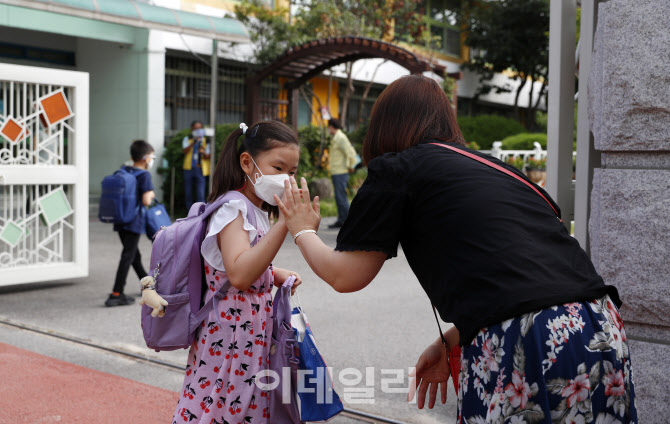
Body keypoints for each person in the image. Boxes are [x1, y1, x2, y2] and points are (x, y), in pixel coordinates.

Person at [275, 75, 637, 423]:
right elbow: (532, 271)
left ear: (385, 125)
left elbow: (346, 275)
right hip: (599, 326)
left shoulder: (398, 169)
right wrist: (454, 336)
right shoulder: (500, 169)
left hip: (531, 339)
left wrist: (302, 230)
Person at [165, 120, 303, 423]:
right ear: (247, 162)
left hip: (248, 332)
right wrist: (285, 223)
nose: (286, 179)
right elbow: (239, 275)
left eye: (292, 172)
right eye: (278, 168)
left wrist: (274, 273)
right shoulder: (233, 209)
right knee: (221, 404)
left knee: (242, 403)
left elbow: (238, 263)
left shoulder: (254, 209)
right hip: (230, 336)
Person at [106, 139, 155, 307]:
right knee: (128, 255)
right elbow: (147, 200)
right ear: (145, 157)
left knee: (133, 254)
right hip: (134, 220)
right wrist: (151, 195)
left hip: (120, 218)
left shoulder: (123, 170)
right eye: (152, 157)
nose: (152, 160)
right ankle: (116, 293)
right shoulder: (144, 175)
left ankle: (148, 287)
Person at [327, 118, 357, 229]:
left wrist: (350, 166)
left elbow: (350, 152)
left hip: (341, 171)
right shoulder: (336, 137)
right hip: (337, 171)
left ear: (331, 126)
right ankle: (342, 220)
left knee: (341, 197)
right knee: (339, 197)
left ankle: (349, 221)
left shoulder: (340, 137)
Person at [183, 120, 212, 210]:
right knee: (188, 193)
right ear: (192, 129)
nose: (197, 130)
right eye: (195, 129)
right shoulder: (187, 138)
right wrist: (193, 142)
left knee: (200, 194)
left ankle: (201, 214)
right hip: (189, 169)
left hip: (200, 169)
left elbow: (209, 155)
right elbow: (185, 151)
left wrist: (203, 151)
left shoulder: (206, 140)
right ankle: (189, 214)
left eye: (199, 128)